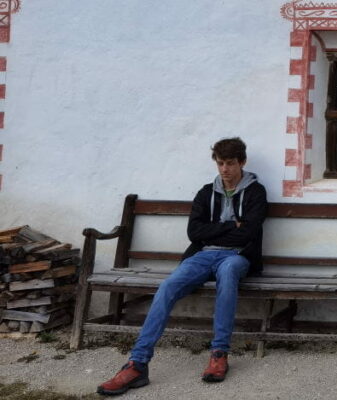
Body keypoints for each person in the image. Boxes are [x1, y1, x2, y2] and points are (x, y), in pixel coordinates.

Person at [97, 137, 268, 395]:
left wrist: (217, 233)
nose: (224, 169)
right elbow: (194, 232)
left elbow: (248, 234)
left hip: (237, 256)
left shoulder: (256, 192)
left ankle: (219, 353)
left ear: (242, 162)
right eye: (220, 163)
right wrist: (232, 226)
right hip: (202, 255)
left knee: (229, 273)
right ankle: (137, 364)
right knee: (168, 286)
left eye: (230, 163)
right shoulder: (205, 192)